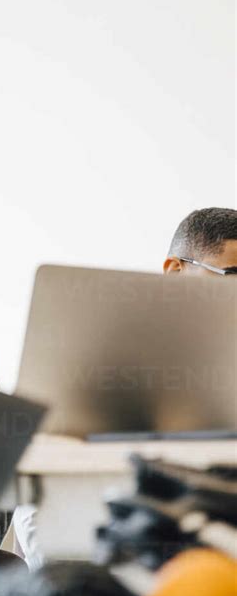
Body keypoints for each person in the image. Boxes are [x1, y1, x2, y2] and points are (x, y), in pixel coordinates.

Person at [13, 206, 237, 568]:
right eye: (234, 276)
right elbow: (39, 480)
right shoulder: (94, 353)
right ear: (175, 271)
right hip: (97, 560)